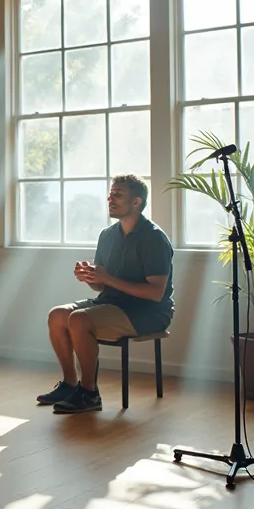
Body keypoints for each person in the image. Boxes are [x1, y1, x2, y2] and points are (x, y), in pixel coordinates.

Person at [39, 173, 174, 414]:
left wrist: (107, 278)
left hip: (147, 312)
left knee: (79, 319)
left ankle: (89, 393)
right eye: (111, 194)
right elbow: (102, 287)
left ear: (137, 202)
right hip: (111, 303)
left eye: (119, 195)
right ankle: (71, 384)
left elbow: (156, 293)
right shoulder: (107, 235)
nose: (111, 198)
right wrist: (91, 278)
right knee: (57, 315)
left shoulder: (153, 237)